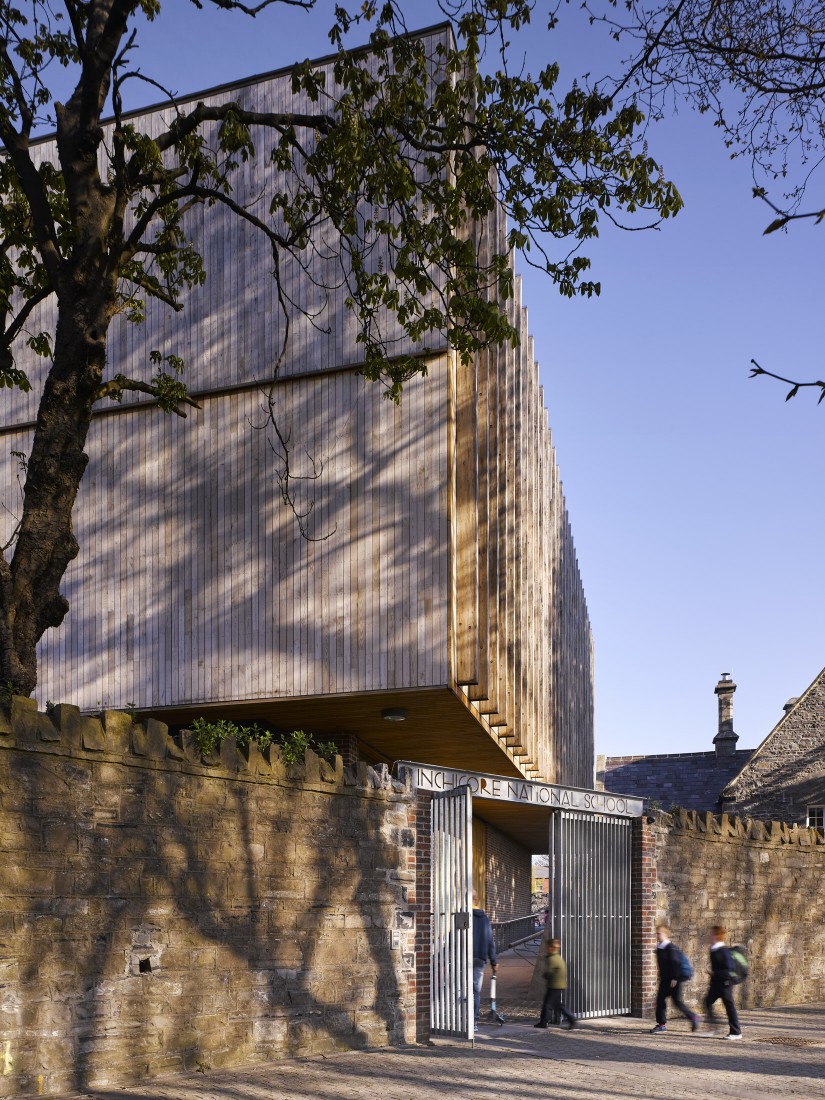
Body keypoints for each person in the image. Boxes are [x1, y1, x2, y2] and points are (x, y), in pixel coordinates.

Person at [649, 923, 699, 1034]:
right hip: (665, 980)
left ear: (665, 934)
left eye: (659, 933)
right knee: (660, 1001)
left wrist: (675, 978)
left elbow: (675, 962)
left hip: (673, 980)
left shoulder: (670, 948)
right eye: (656, 933)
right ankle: (661, 1025)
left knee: (677, 1003)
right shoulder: (660, 947)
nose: (657, 936)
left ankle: (693, 1017)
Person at [704, 925, 742, 1040]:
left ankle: (736, 1032)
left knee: (729, 1007)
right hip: (716, 983)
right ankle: (714, 1028)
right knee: (707, 1002)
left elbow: (729, 969)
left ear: (716, 936)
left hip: (725, 983)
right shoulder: (713, 949)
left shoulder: (723, 951)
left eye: (711, 934)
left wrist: (713, 973)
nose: (708, 936)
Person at [534, 938, 576, 1030]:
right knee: (558, 1005)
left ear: (551, 948)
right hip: (559, 985)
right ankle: (571, 1019)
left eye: (548, 947)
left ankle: (544, 1022)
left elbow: (548, 972)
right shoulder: (557, 957)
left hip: (554, 985)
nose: (546, 949)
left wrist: (545, 975)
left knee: (547, 1005)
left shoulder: (552, 959)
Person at [471, 891, 497, 1032]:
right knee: (475, 991)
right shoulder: (484, 919)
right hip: (480, 958)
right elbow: (490, 941)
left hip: (465, 957)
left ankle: (462, 1019)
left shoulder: (461, 916)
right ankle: (473, 1022)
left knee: (461, 989)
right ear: (477, 900)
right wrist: (494, 961)